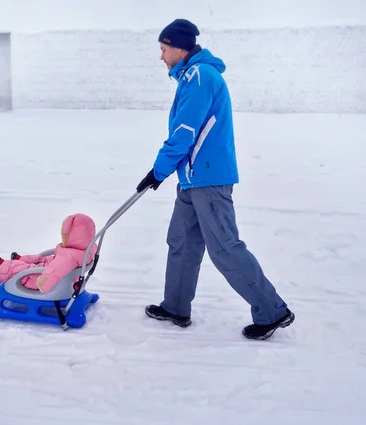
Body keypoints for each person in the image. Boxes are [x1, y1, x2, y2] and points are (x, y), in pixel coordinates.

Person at [136, 18, 294, 340]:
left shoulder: (199, 77)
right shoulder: (192, 77)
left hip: (208, 178)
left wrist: (158, 170)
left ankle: (272, 310)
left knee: (224, 247)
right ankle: (176, 306)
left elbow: (184, 132)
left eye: (164, 49)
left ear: (180, 48)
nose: (161, 56)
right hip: (193, 177)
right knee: (181, 241)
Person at [0, 213, 97, 293]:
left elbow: (56, 270)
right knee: (42, 259)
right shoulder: (88, 248)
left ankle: (1, 268)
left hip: (50, 282)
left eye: (64, 235)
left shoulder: (69, 257)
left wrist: (45, 281)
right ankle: (20, 259)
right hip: (66, 277)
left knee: (25, 270)